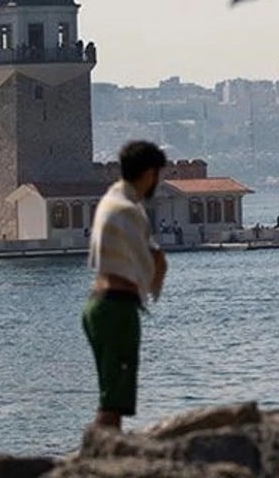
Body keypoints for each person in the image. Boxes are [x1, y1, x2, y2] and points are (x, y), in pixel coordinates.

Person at [83, 140, 169, 430]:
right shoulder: (128, 210)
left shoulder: (111, 199)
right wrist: (157, 270)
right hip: (116, 307)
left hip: (98, 304)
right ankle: (99, 461)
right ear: (148, 173)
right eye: (157, 174)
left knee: (110, 394)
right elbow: (146, 260)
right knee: (113, 402)